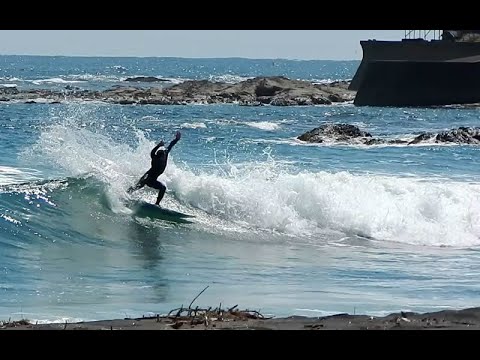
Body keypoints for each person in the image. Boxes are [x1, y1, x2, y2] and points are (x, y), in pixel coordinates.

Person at [127, 131, 181, 205]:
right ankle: (126, 194)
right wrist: (158, 146)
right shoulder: (155, 158)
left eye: (162, 155)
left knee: (163, 188)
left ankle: (157, 203)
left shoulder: (165, 154)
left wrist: (176, 139)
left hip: (153, 179)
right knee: (138, 186)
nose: (162, 157)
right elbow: (152, 152)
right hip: (147, 177)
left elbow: (171, 145)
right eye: (160, 156)